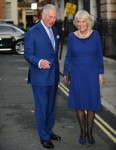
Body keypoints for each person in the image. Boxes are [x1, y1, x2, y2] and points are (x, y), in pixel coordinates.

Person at [63, 10, 104, 145]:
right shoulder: (71, 37)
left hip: (92, 74)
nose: (81, 24)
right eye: (78, 22)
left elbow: (99, 55)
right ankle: (82, 131)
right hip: (77, 74)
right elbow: (68, 57)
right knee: (80, 104)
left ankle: (90, 132)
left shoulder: (96, 35)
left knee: (91, 105)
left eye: (83, 21)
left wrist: (100, 73)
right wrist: (65, 72)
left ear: (88, 22)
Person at [24, 4, 61, 149]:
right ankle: (44, 137)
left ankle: (49, 131)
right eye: (50, 17)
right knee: (42, 107)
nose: (53, 20)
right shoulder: (33, 32)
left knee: (51, 107)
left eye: (55, 17)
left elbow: (53, 53)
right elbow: (28, 54)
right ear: (43, 16)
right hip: (39, 77)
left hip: (53, 75)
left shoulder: (55, 30)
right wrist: (39, 62)